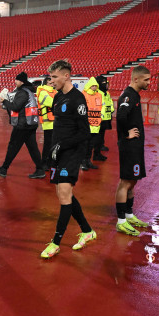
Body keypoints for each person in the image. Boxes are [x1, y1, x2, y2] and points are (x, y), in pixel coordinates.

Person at [40, 60, 97, 259]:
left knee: (64, 194)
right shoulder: (57, 98)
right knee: (63, 194)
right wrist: (51, 150)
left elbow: (85, 133)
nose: (51, 81)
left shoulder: (77, 99)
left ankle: (55, 243)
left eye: (54, 77)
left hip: (72, 152)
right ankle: (87, 230)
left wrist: (62, 146)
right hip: (59, 152)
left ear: (66, 76)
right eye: (50, 77)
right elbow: (58, 128)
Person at [114, 66, 152, 237]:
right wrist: (126, 134)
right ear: (136, 79)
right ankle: (121, 221)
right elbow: (121, 115)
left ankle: (129, 215)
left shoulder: (135, 95)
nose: (149, 83)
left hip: (135, 146)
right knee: (125, 182)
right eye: (146, 79)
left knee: (133, 181)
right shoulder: (129, 94)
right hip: (128, 146)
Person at [0, 72, 47, 178]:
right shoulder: (27, 91)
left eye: (16, 80)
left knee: (13, 146)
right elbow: (16, 100)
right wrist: (2, 100)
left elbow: (15, 106)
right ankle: (40, 170)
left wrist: (5, 102)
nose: (15, 82)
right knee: (32, 147)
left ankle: (3, 169)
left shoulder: (22, 92)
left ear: (21, 81)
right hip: (30, 123)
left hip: (23, 125)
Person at [80, 76, 103, 169]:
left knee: (91, 145)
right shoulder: (84, 94)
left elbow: (100, 108)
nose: (94, 87)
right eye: (92, 85)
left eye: (95, 85)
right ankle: (83, 162)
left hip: (96, 124)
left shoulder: (99, 95)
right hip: (87, 124)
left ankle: (88, 161)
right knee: (85, 144)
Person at [36, 75, 57, 169]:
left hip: (55, 120)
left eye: (53, 83)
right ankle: (44, 162)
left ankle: (50, 162)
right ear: (45, 83)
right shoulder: (43, 92)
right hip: (48, 121)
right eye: (50, 83)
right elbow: (52, 103)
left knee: (54, 143)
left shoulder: (55, 92)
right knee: (48, 144)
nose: (52, 84)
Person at [95, 75, 114, 160]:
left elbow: (110, 103)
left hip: (106, 116)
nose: (106, 85)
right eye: (103, 83)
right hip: (100, 118)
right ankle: (97, 151)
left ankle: (101, 145)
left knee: (102, 133)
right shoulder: (98, 93)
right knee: (97, 135)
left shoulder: (107, 93)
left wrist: (111, 110)